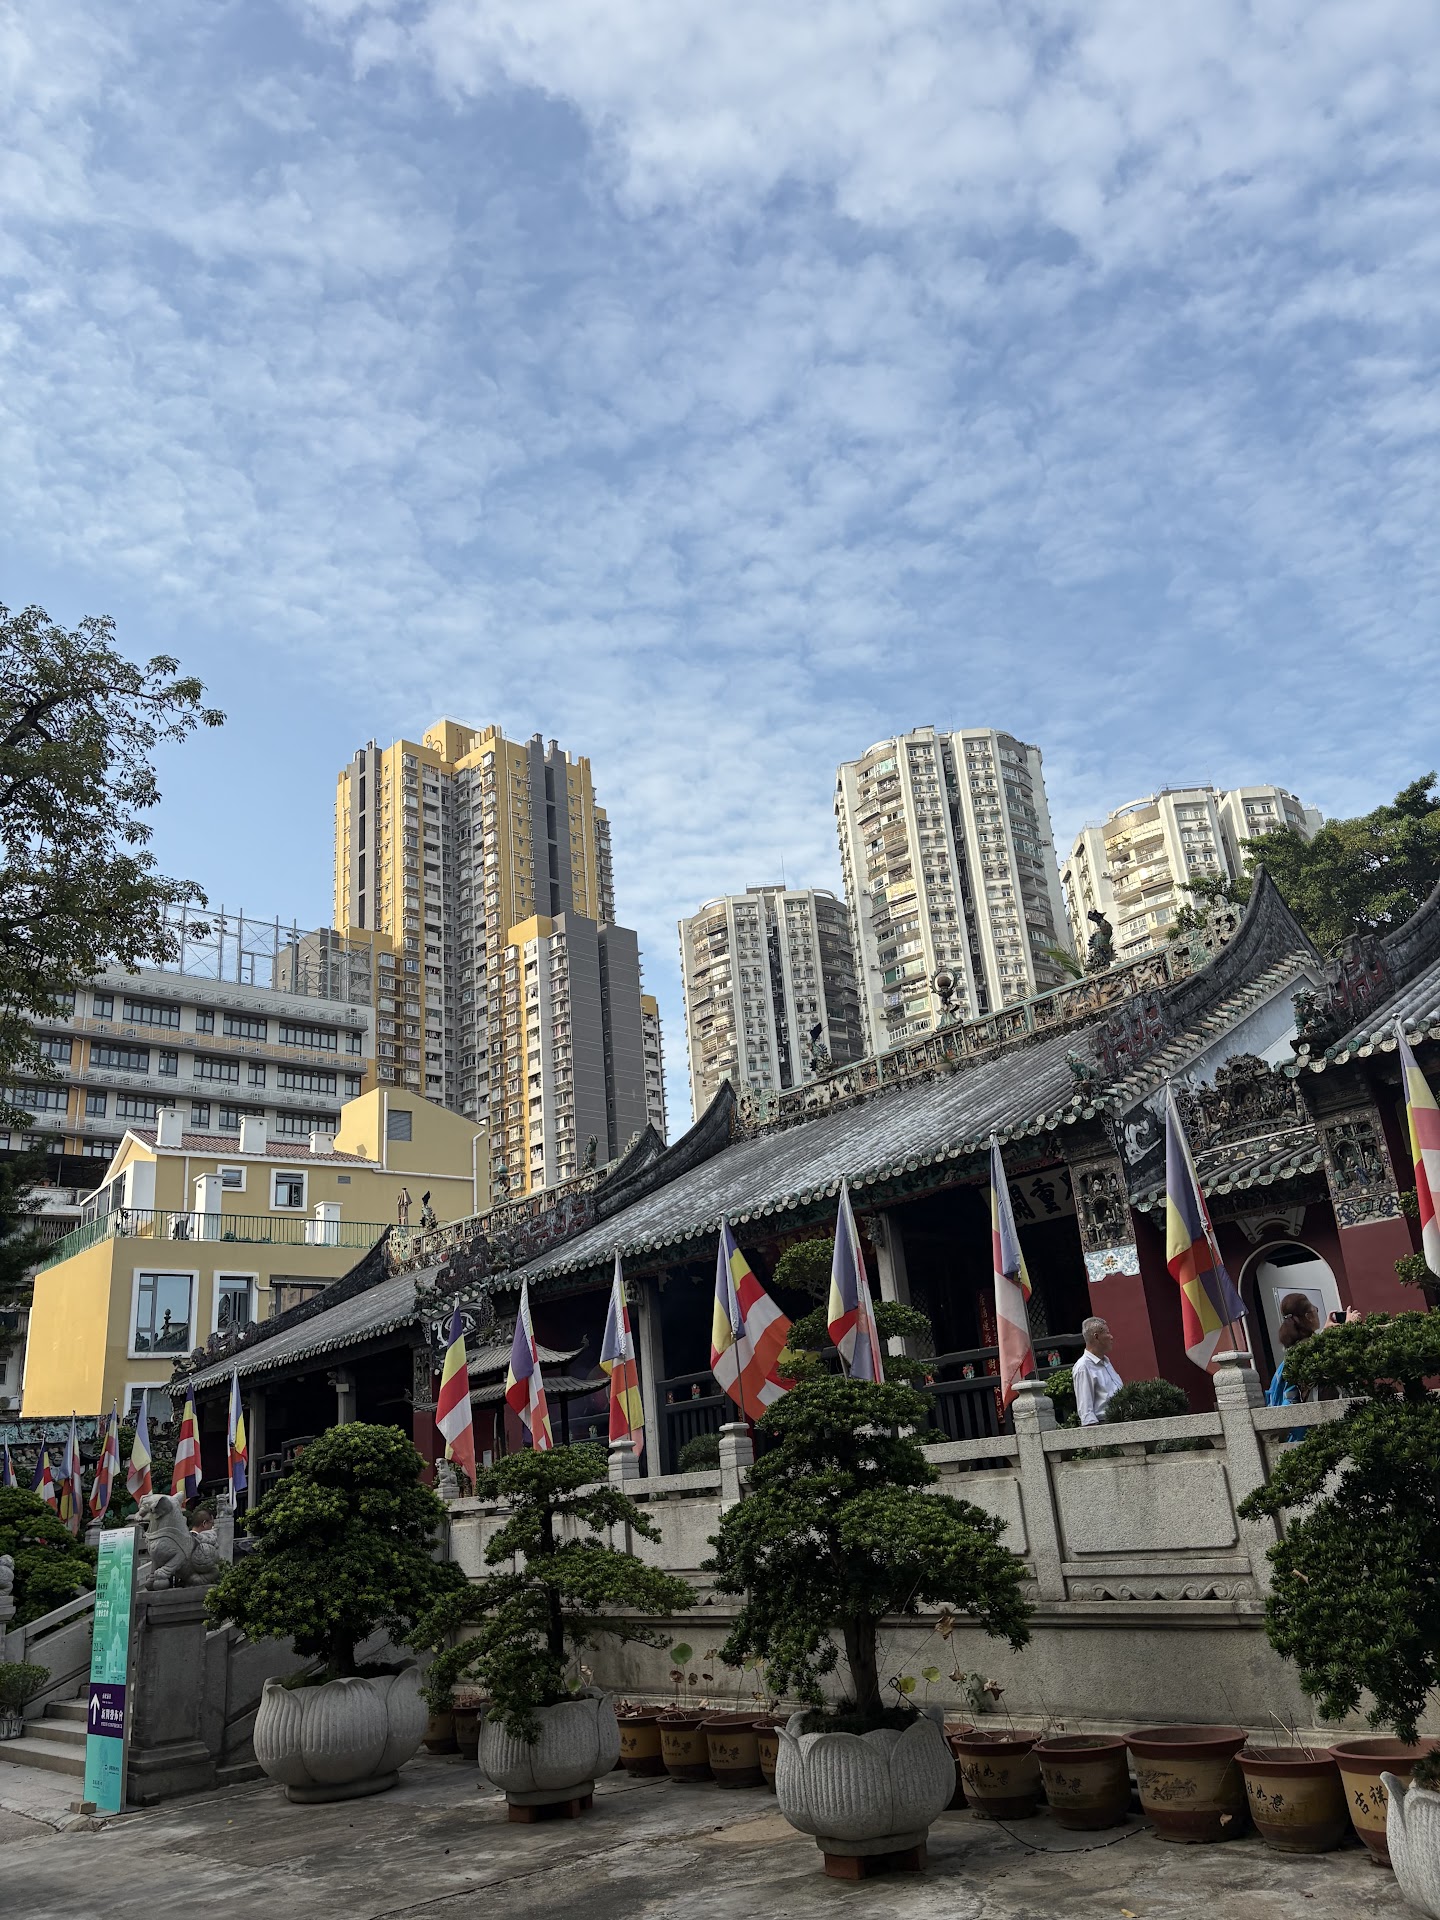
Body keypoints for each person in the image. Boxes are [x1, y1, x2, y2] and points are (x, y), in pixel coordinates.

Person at [1072, 1317, 1123, 1426]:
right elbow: (1086, 1412)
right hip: (1105, 1424)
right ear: (1096, 1337)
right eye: (1107, 1333)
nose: (1111, 1337)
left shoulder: (1106, 1361)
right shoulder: (1083, 1367)